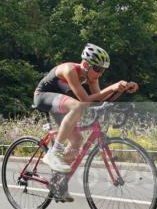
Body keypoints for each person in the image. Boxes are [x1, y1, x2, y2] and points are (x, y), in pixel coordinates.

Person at [32, 43, 139, 200]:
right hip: (43, 96)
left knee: (77, 140)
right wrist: (112, 87)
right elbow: (85, 100)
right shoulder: (70, 70)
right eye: (98, 69)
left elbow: (100, 99)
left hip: (59, 102)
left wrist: (120, 90)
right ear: (86, 65)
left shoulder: (90, 77)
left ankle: (57, 183)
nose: (100, 74)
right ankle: (53, 153)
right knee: (77, 105)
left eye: (102, 70)